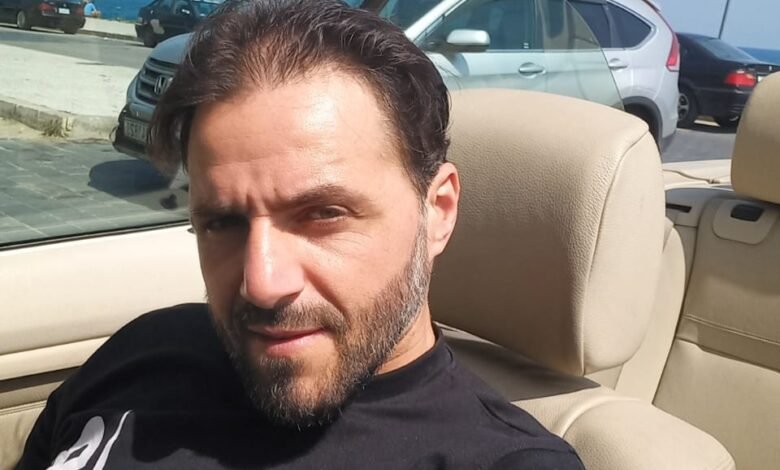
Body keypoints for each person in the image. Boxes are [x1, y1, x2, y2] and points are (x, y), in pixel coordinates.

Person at [16, 0, 584, 468]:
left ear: (437, 211)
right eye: (223, 222)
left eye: (324, 214)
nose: (261, 285)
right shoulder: (144, 350)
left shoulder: (505, 461)